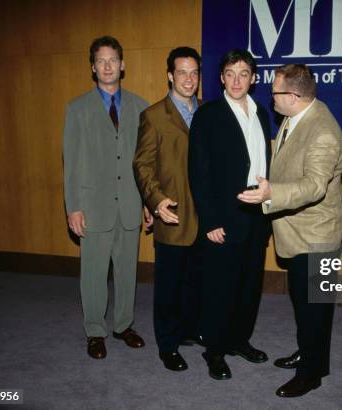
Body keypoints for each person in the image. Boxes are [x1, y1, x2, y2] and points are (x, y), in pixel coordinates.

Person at [238, 63, 342, 398]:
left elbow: (314, 186)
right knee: (307, 306)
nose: (270, 98)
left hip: (316, 235)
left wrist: (272, 194)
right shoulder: (296, 117)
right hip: (299, 230)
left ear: (294, 96)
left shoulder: (323, 130)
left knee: (314, 309)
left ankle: (310, 374)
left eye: (274, 92)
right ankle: (314, 357)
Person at [63, 35, 150, 359]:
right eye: (101, 61)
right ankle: (95, 331)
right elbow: (70, 163)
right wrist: (74, 207)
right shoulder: (77, 109)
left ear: (123, 65)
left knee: (127, 272)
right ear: (93, 67)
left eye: (113, 59)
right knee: (94, 274)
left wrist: (148, 202)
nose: (108, 66)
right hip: (93, 207)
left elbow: (144, 163)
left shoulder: (141, 107)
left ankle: (123, 325)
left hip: (129, 204)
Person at [188, 49, 271, 380]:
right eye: (230, 73)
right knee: (220, 287)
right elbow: (198, 172)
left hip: (256, 213)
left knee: (249, 285)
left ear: (254, 78)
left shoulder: (261, 113)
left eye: (244, 73)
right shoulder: (208, 115)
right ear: (221, 77)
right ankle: (215, 350)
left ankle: (239, 340)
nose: (237, 80)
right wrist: (209, 220)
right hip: (223, 216)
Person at [133, 47, 202, 372]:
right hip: (171, 212)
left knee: (193, 280)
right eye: (182, 72)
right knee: (169, 285)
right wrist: (155, 200)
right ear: (170, 76)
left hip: (203, 214)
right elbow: (142, 165)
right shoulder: (154, 115)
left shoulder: (207, 112)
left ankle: (188, 330)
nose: (189, 79)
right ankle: (167, 344)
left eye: (194, 72)